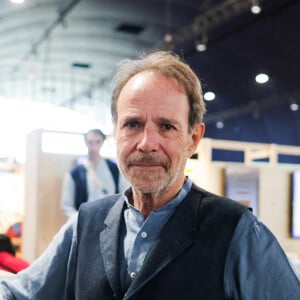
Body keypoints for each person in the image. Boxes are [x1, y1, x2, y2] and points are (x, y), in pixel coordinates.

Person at [0, 50, 299, 299]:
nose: (146, 143)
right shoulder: (86, 224)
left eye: (166, 126)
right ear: (115, 133)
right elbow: (20, 294)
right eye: (132, 124)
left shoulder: (236, 231)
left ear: (193, 139)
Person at [60, 128, 129, 218]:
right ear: (85, 143)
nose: (94, 146)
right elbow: (67, 204)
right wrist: (78, 221)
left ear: (102, 143)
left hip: (111, 220)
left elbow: (125, 194)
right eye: (90, 142)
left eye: (97, 142)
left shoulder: (115, 169)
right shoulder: (74, 174)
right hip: (85, 221)